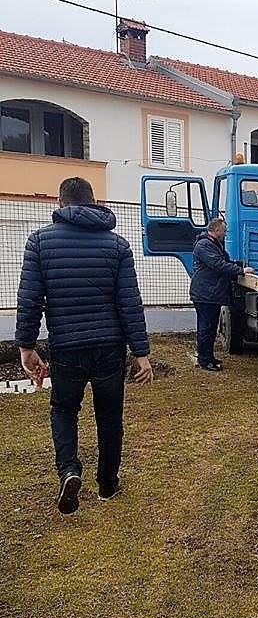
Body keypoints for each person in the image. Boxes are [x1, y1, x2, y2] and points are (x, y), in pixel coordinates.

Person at [15, 177, 153, 514]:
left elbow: (30, 300)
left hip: (66, 346)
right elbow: (129, 302)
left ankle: (69, 470)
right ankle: (107, 484)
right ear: (93, 202)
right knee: (109, 416)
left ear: (61, 203)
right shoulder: (118, 246)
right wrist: (141, 353)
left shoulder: (39, 242)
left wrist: (26, 346)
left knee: (63, 409)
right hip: (109, 346)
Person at [190, 217, 244, 372]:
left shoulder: (214, 245)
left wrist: (236, 267)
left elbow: (224, 262)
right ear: (216, 230)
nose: (226, 233)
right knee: (206, 328)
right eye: (224, 230)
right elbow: (218, 264)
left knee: (211, 328)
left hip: (210, 293)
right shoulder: (204, 245)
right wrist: (240, 271)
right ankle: (204, 361)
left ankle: (208, 357)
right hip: (205, 294)